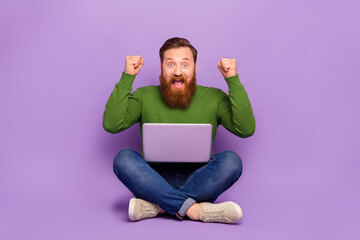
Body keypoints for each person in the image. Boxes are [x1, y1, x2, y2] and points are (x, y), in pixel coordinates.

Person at [103, 37, 255, 224]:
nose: (177, 71)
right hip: (153, 180)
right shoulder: (144, 96)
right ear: (161, 68)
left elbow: (246, 129)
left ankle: (158, 206)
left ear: (195, 68)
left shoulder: (214, 98)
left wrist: (232, 80)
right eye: (170, 64)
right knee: (123, 158)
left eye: (185, 64)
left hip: (200, 180)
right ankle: (194, 210)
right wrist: (128, 76)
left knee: (232, 161)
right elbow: (112, 124)